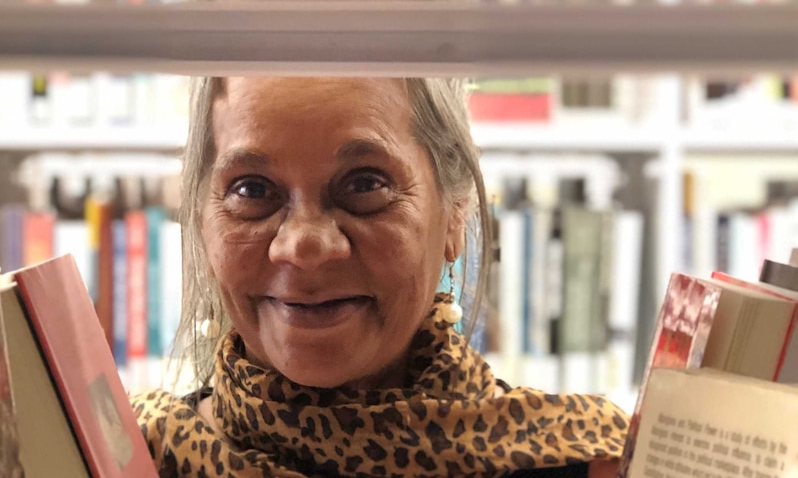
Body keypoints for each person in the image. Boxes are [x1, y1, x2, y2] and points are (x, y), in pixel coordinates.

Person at [130, 77, 628, 477]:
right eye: (252, 189)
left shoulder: (594, 463)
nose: (303, 248)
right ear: (201, 220)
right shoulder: (124, 458)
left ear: (455, 213)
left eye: (365, 184)